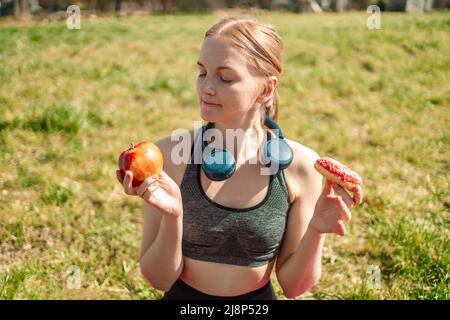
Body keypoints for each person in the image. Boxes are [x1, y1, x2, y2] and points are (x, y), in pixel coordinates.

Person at [116, 16, 363, 300]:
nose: (206, 88)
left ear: (266, 89)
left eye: (225, 77)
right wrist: (173, 217)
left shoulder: (301, 167)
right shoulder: (169, 155)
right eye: (202, 72)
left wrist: (317, 231)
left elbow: (294, 287)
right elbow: (158, 279)